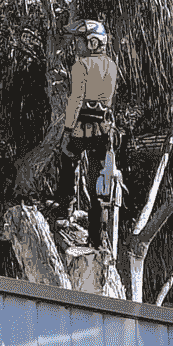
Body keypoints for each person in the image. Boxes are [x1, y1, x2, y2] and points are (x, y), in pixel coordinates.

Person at [55, 19, 118, 247]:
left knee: (68, 163)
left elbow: (75, 100)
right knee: (97, 181)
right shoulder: (111, 65)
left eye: (80, 41)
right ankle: (96, 235)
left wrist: (67, 130)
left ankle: (64, 212)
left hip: (81, 128)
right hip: (103, 129)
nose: (77, 46)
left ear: (92, 42)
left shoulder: (80, 66)